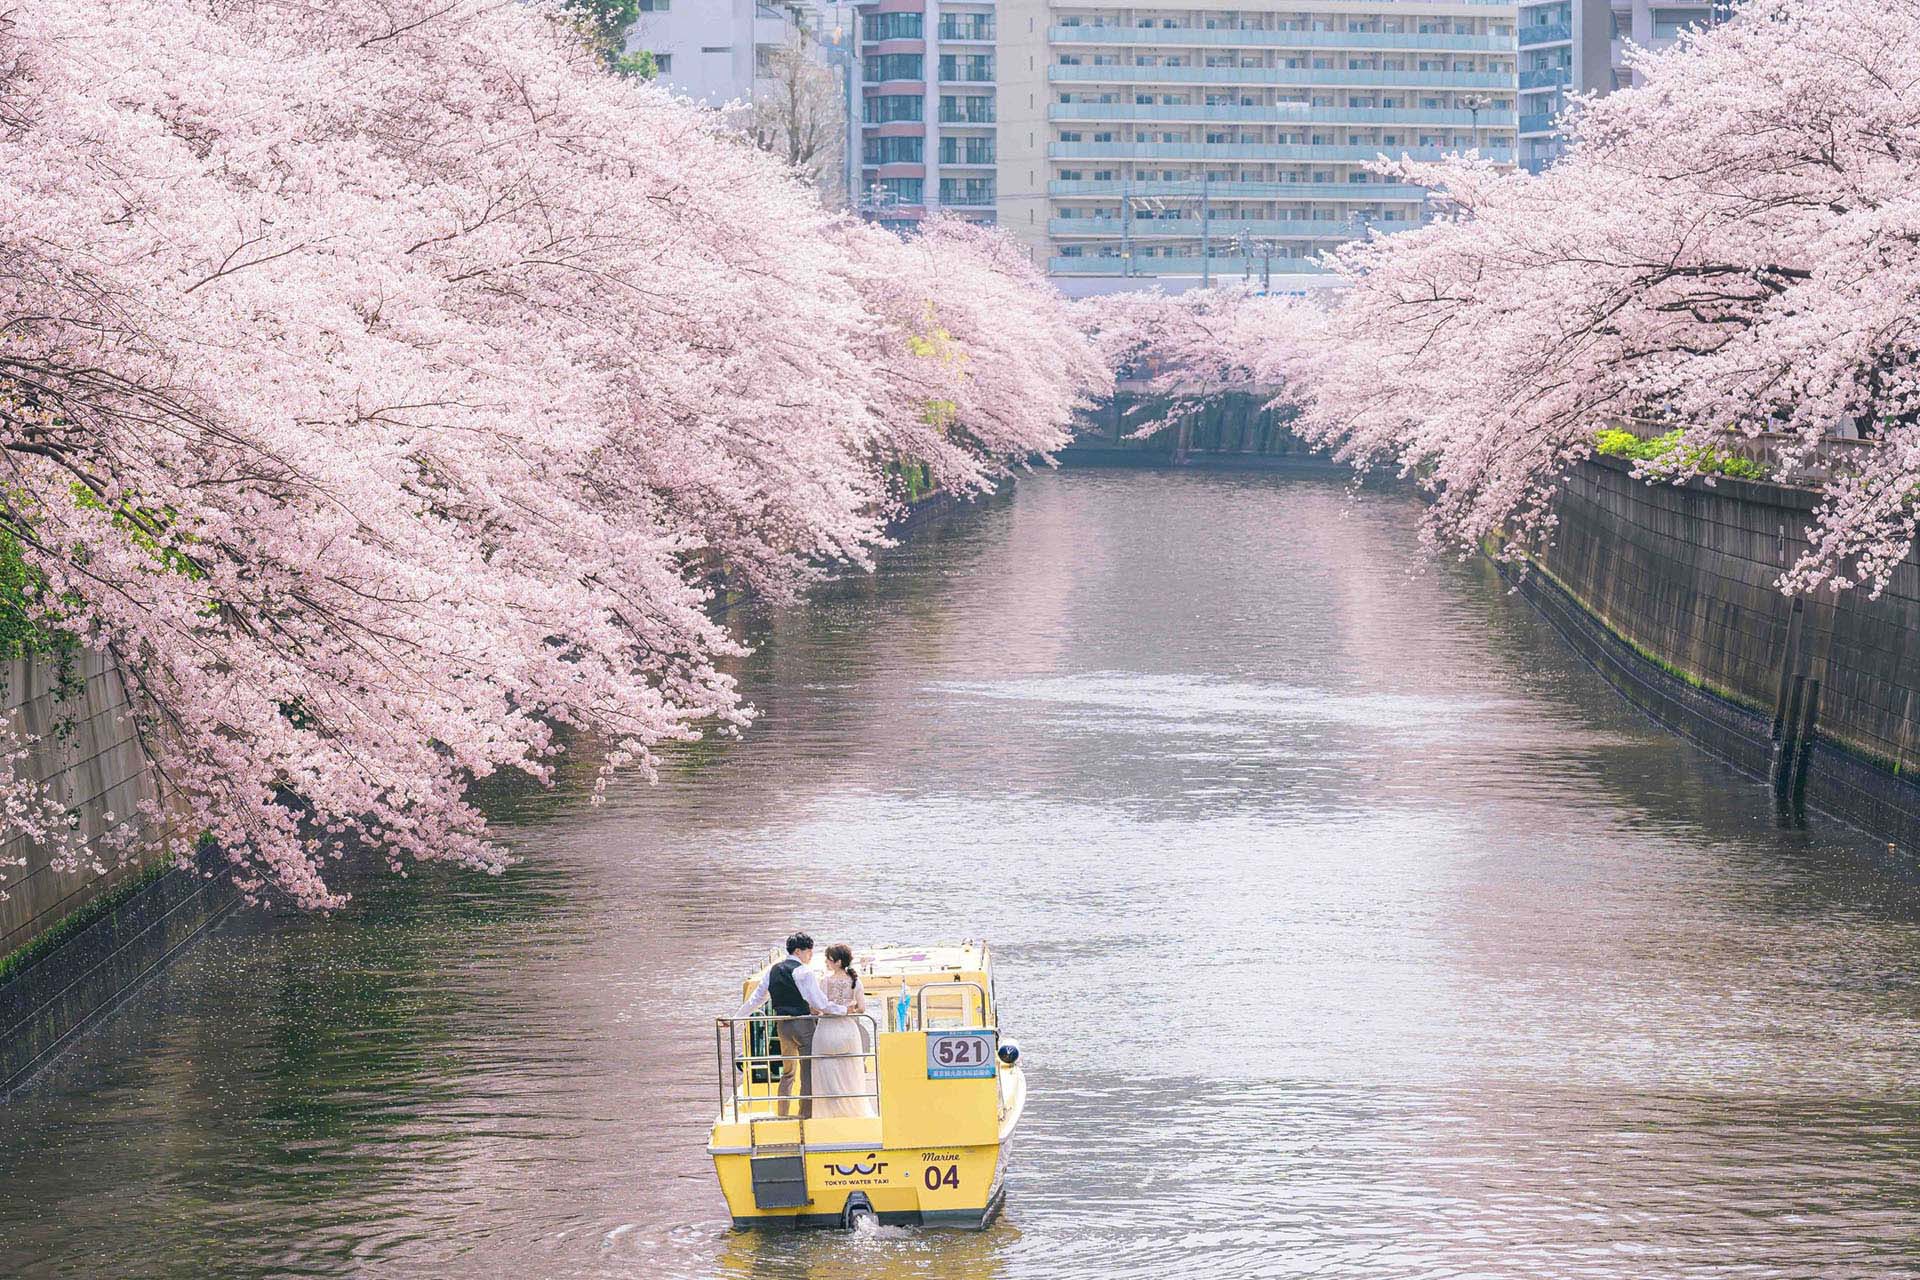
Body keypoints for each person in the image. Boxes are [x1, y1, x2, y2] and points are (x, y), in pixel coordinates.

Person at [732, 932, 845, 1119]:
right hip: (802, 1024)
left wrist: (736, 1019)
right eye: (809, 952)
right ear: (799, 951)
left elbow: (757, 998)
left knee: (788, 1072)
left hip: (782, 1026)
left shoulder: (773, 970)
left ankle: (782, 1113)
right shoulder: (804, 972)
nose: (810, 956)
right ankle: (805, 1115)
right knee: (807, 1071)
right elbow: (819, 1002)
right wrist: (843, 1010)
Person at [810, 944, 877, 1119]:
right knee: (850, 1070)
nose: (826, 961)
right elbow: (862, 1008)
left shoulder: (824, 981)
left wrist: (829, 1009)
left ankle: (830, 1112)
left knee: (826, 1070)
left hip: (826, 1030)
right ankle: (851, 1110)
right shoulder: (856, 981)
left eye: (828, 958)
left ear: (838, 962)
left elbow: (816, 1009)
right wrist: (848, 1008)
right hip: (848, 1030)